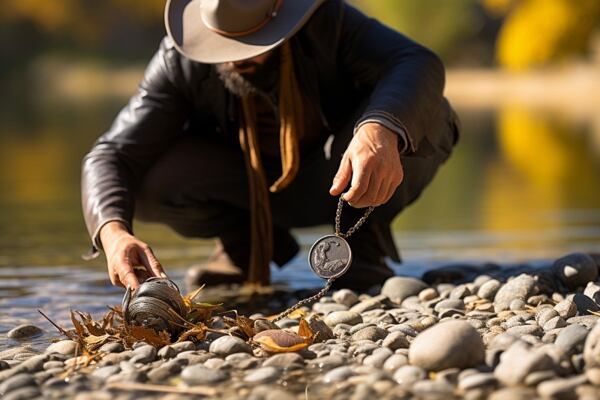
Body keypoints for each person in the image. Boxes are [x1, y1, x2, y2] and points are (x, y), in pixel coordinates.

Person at [81, 0, 460, 292]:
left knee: (425, 113)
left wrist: (379, 129)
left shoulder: (330, 20)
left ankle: (362, 245)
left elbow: (416, 61)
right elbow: (111, 154)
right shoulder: (179, 59)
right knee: (143, 181)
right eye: (221, 43)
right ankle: (243, 248)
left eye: (250, 43)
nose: (232, 56)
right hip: (244, 190)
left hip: (338, 178)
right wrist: (113, 233)